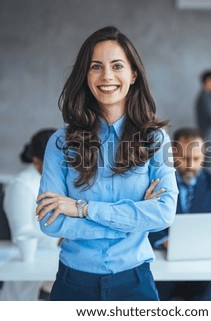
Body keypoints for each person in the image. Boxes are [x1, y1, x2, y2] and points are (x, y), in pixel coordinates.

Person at [35, 26, 178, 301]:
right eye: (96, 67)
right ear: (85, 76)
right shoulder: (61, 142)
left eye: (117, 66)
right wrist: (134, 219)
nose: (107, 76)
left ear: (133, 74)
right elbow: (51, 223)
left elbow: (163, 215)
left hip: (135, 283)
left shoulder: (155, 140)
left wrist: (81, 208)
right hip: (73, 284)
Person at [148, 127, 211, 301]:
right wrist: (164, 242)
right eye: (184, 158)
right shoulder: (157, 185)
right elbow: (145, 222)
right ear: (173, 155)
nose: (190, 165)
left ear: (203, 157)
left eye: (196, 159)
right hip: (165, 269)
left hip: (206, 273)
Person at [0, 128, 58, 301]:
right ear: (36, 161)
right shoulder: (21, 186)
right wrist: (61, 238)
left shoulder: (62, 181)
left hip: (61, 257)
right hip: (38, 265)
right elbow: (23, 234)